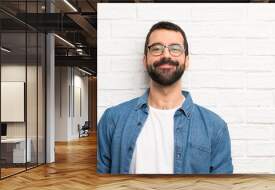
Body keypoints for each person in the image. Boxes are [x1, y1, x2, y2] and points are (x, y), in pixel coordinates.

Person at [97, 21, 233, 174]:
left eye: (175, 49)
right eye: (156, 48)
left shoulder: (215, 127)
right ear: (145, 60)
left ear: (187, 61)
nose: (166, 55)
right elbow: (100, 185)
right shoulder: (112, 120)